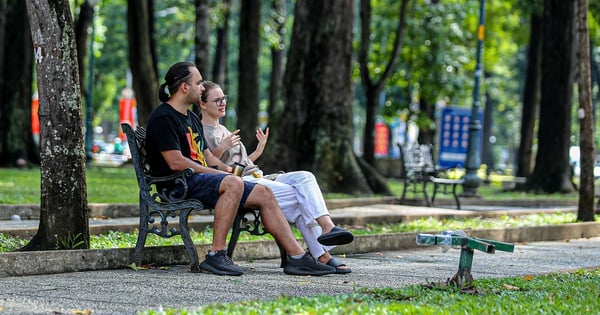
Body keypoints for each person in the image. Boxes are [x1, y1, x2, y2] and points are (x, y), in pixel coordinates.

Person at [145, 62, 335, 277]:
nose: (201, 88)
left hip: (197, 179)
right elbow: (176, 162)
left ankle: (298, 258)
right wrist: (220, 174)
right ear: (184, 87)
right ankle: (216, 254)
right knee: (233, 183)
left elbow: (206, 155)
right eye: (198, 83)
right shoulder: (164, 117)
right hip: (177, 183)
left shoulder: (190, 118)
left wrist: (225, 168)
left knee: (265, 193)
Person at [199, 80, 354, 274]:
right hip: (240, 184)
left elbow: (243, 162)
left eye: (224, 99)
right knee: (299, 198)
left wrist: (257, 151)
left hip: (257, 175)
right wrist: (222, 147)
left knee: (305, 178)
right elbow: (206, 166)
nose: (223, 103)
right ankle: (322, 254)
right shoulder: (200, 131)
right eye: (217, 100)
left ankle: (328, 227)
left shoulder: (225, 130)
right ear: (203, 104)